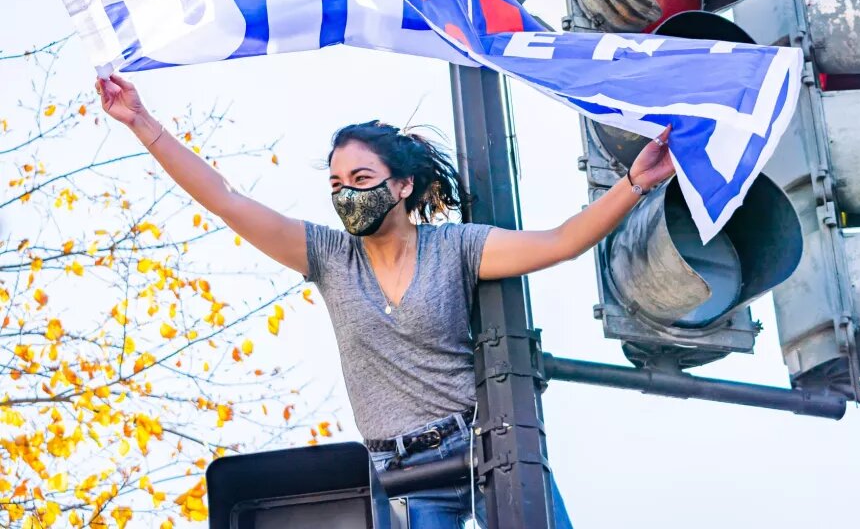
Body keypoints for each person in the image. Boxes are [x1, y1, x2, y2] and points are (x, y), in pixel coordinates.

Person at [96, 73, 675, 528]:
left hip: (479, 448)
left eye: (361, 177)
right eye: (336, 184)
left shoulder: (455, 249)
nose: (347, 192)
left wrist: (636, 183)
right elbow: (225, 199)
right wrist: (142, 123)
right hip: (400, 475)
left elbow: (559, 242)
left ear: (401, 186)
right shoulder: (327, 256)